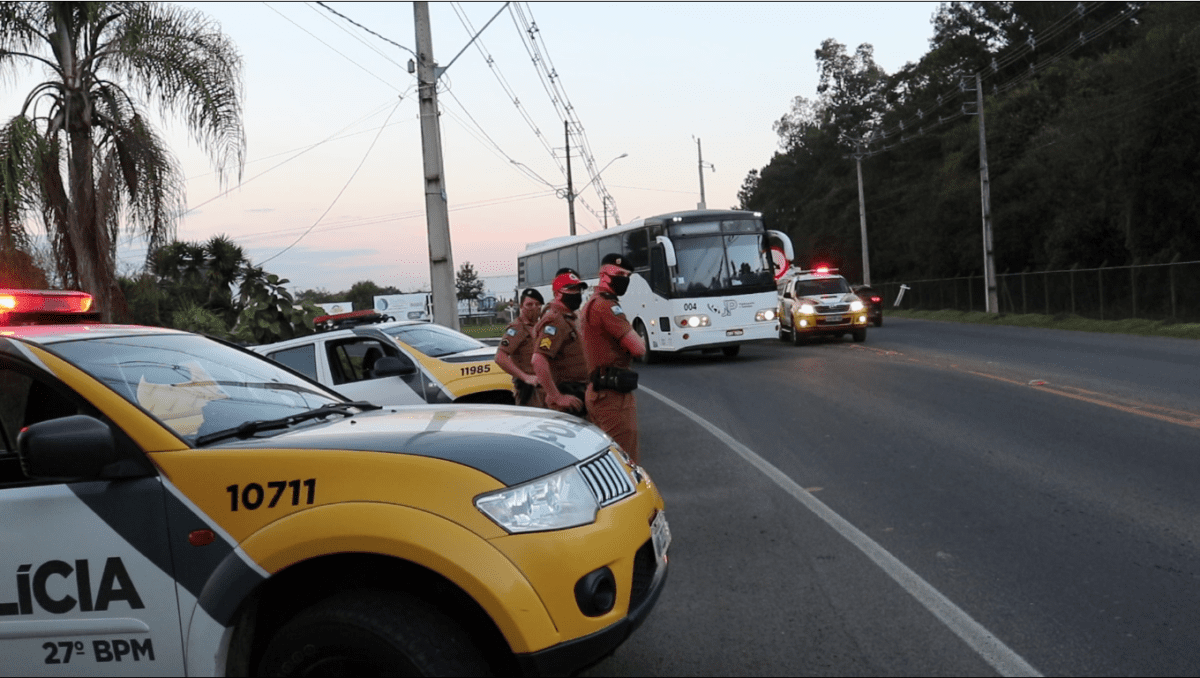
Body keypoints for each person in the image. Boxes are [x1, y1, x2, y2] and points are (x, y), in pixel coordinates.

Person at [581, 253, 646, 463]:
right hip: (612, 396)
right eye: (619, 273)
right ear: (603, 274)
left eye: (627, 275)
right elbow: (638, 348)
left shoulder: (591, 303)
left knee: (605, 461)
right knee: (625, 461)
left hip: (598, 391)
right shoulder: (607, 307)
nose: (624, 278)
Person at [531, 271, 589, 415]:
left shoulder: (567, 317)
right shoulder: (556, 320)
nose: (577, 294)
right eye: (571, 289)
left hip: (577, 392)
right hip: (568, 395)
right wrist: (556, 396)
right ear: (557, 294)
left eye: (578, 289)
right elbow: (538, 359)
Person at [495, 288, 544, 406]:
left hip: (545, 388)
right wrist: (525, 377)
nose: (534, 308)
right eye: (529, 304)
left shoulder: (541, 326)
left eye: (537, 304)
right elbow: (500, 357)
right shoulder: (517, 328)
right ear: (521, 306)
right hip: (530, 390)